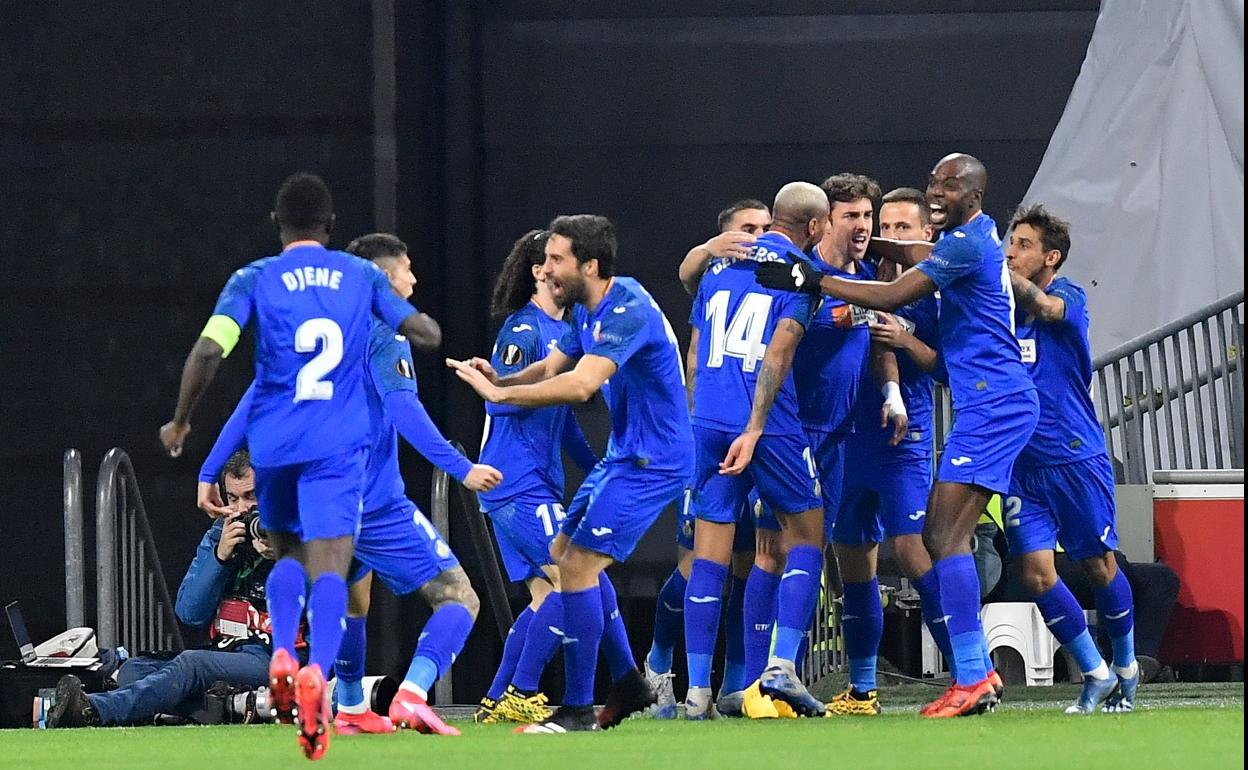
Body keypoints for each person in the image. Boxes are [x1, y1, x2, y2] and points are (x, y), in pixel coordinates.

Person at [157, 173, 439, 759]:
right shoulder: (360, 276)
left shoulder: (253, 278)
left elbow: (211, 350)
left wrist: (182, 422)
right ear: (331, 226)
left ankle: (282, 650)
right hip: (336, 447)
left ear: (276, 224)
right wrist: (417, 323)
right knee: (332, 567)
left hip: (276, 446)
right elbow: (421, 329)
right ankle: (315, 672)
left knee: (286, 552)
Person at [758, 153, 1039, 718]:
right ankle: (964, 672)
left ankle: (972, 674)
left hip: (992, 404)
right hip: (978, 402)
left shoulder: (961, 247)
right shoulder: (966, 243)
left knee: (938, 538)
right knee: (932, 538)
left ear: (976, 197)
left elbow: (889, 298)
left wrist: (814, 278)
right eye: (933, 182)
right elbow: (926, 316)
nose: (937, 192)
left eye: (949, 185)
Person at [199, 232, 501, 737]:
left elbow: (252, 403)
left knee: (353, 600)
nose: (414, 278)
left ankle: (352, 705)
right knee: (459, 597)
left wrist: (210, 469)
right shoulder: (385, 328)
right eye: (406, 268)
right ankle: (412, 693)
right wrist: (459, 467)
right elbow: (403, 406)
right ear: (383, 277)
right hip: (374, 501)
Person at [448, 214, 693, 733]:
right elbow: (553, 367)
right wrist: (503, 378)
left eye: (557, 259)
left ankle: (578, 706)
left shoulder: (624, 307)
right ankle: (626, 681)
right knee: (563, 556)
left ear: (590, 265)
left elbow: (582, 386)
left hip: (655, 460)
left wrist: (500, 395)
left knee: (574, 569)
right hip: (625, 457)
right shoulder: (586, 309)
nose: (547, 267)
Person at [679, 183, 826, 719]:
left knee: (709, 554)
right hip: (766, 424)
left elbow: (695, 352)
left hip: (708, 419)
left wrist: (702, 421)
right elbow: (779, 352)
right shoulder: (798, 276)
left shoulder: (722, 264)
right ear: (813, 228)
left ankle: (697, 693)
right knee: (809, 533)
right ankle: (781, 666)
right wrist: (757, 426)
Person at [1003, 204, 1140, 712]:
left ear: (1050, 257)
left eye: (1023, 246)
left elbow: (1048, 309)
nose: (1011, 254)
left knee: (1100, 565)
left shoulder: (1067, 297)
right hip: (1020, 465)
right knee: (1037, 574)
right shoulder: (1002, 309)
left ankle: (1125, 662)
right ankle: (1096, 671)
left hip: (1075, 457)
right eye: (1008, 244)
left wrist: (999, 273)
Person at [646, 199, 772, 720]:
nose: (757, 237)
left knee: (748, 562)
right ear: (723, 237)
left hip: (762, 436)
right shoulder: (714, 277)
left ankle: (736, 687)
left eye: (765, 228)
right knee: (697, 564)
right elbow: (694, 350)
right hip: (710, 435)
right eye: (747, 229)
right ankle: (660, 663)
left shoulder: (778, 279)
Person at [48, 451, 284, 728]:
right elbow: (189, 612)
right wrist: (220, 558)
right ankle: (226, 708)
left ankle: (95, 711)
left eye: (251, 497)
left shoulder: (299, 536)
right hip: (228, 653)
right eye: (233, 499)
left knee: (192, 664)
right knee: (134, 670)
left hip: (276, 658)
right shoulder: (220, 534)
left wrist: (283, 553)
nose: (242, 510)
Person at [474, 229, 598, 725]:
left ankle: (497, 697)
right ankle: (524, 691)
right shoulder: (524, 332)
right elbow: (494, 400)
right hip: (516, 482)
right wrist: (525, 389)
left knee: (547, 595)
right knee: (571, 580)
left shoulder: (565, 334)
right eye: (556, 259)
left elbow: (564, 421)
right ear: (540, 271)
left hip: (534, 483)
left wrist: (598, 471)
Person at [827, 187, 943, 716]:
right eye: (885, 228)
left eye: (903, 229)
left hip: (904, 440)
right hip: (851, 440)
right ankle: (863, 688)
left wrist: (906, 342)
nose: (890, 237)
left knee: (913, 550)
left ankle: (971, 671)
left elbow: (944, 369)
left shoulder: (936, 295)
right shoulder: (858, 282)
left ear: (927, 236)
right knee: (856, 567)